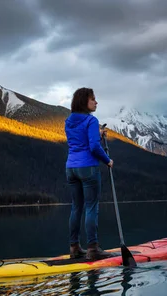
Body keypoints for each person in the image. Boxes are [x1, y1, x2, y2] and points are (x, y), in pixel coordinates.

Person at [65, 87, 114, 261]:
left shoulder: (68, 121)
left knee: (76, 207)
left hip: (71, 168)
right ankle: (93, 248)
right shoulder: (91, 121)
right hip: (88, 168)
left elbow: (80, 140)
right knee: (91, 207)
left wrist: (97, 134)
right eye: (93, 99)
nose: (96, 102)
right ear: (84, 101)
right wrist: (107, 160)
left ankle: (74, 247)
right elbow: (93, 147)